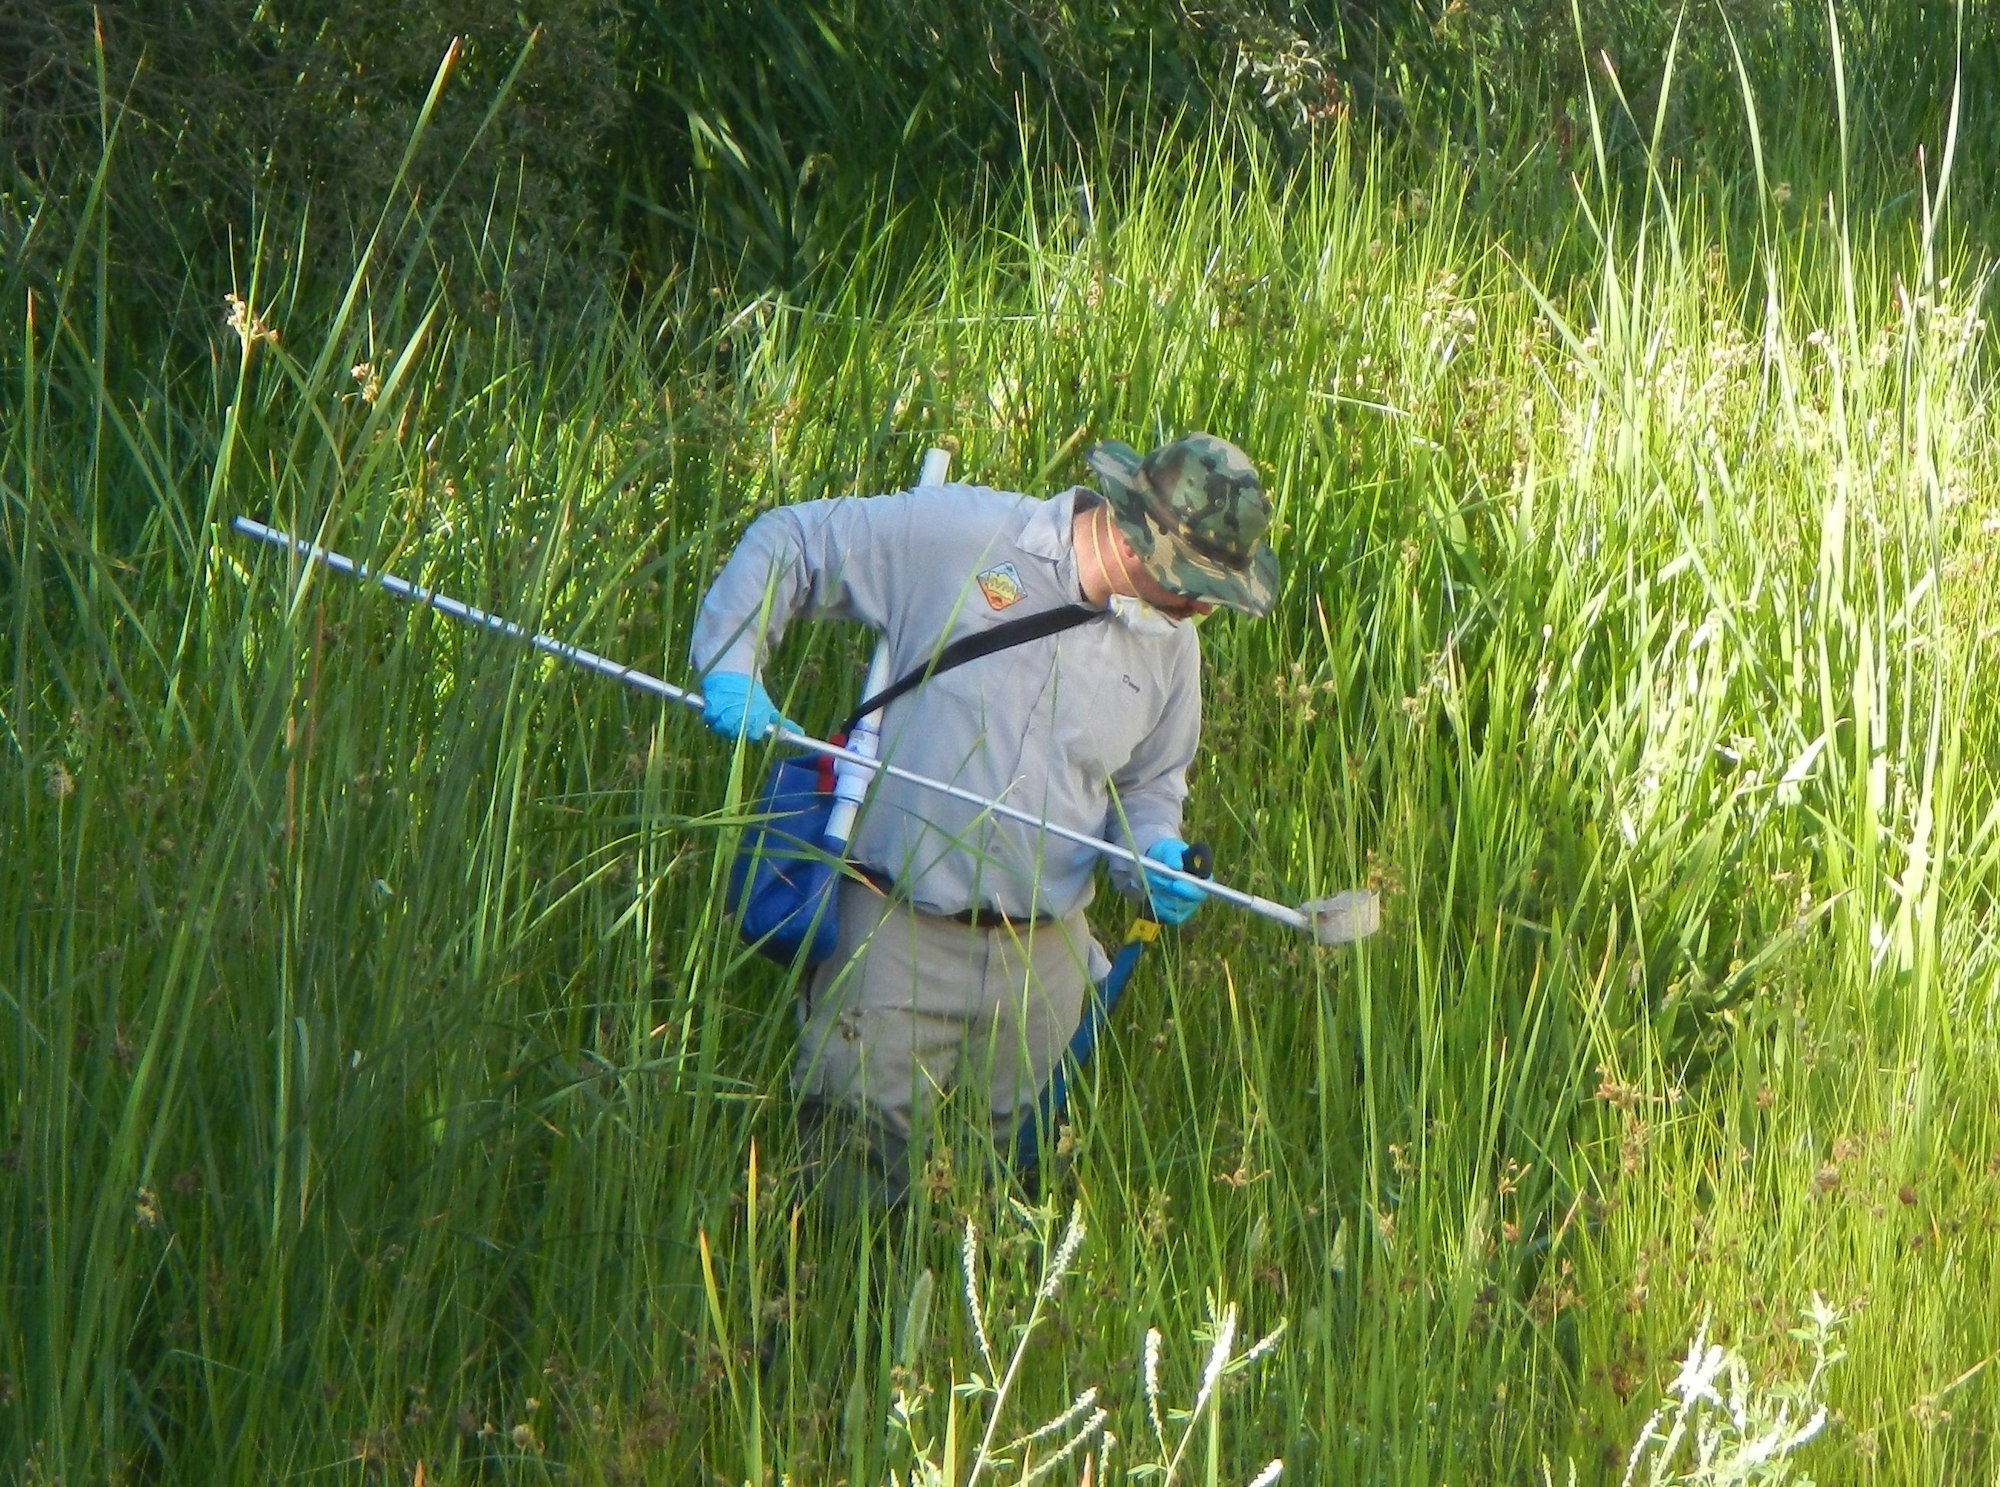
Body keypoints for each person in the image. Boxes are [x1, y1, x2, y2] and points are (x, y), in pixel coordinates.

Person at [689, 433, 1279, 1206]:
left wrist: (1154, 853)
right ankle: (822, 1322)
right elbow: (793, 540)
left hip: (1044, 963)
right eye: (1198, 584)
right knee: (845, 1184)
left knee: (1011, 1199)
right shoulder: (963, 538)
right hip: (897, 928)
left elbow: (1150, 782)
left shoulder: (1171, 645)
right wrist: (733, 663)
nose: (1204, 604)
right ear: (1141, 540)